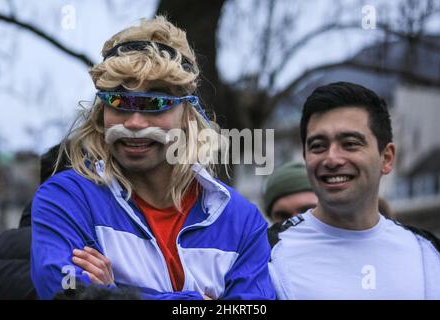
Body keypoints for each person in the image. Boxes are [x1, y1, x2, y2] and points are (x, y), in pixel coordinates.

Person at [31, 16, 275, 300]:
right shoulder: (66, 198)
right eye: (119, 102)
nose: (134, 123)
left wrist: (113, 293)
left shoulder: (241, 219)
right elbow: (66, 289)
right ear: (102, 113)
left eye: (156, 104)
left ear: (187, 115)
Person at [269, 82, 440, 299]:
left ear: (387, 158)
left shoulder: (429, 255)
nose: (332, 159)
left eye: (350, 143)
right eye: (317, 146)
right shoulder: (265, 254)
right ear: (305, 158)